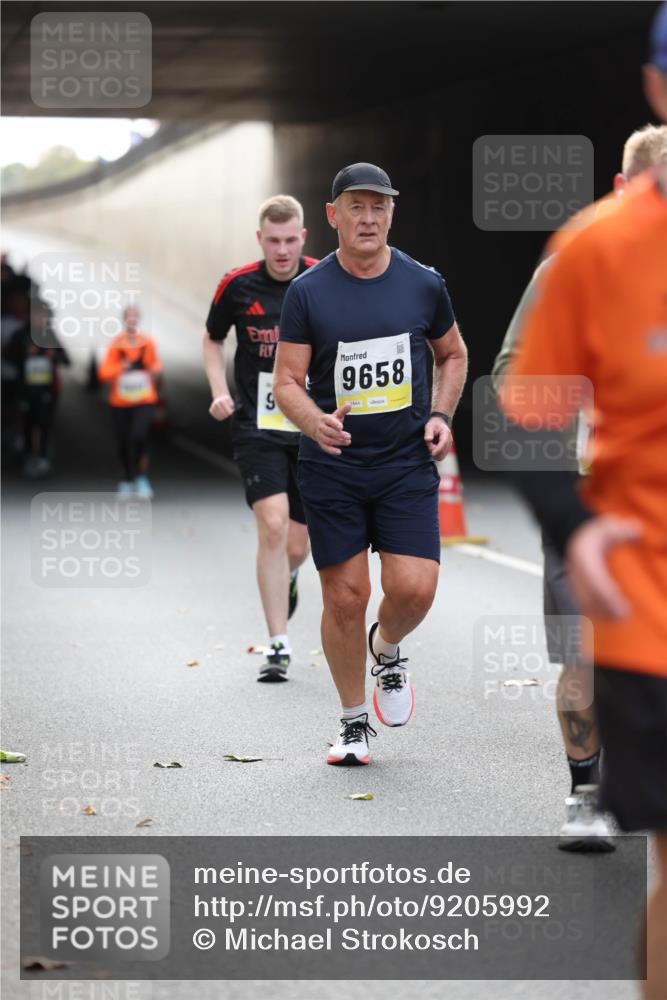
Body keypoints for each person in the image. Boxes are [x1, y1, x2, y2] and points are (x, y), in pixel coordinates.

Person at [500, 6, 667, 995]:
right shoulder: (591, 253)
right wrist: (573, 523)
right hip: (641, 598)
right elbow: (521, 405)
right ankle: (580, 792)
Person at [274, 163, 467, 765]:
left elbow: (454, 354)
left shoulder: (423, 284)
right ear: (332, 215)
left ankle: (388, 649)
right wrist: (315, 421)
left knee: (413, 588)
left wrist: (441, 415)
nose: (368, 218)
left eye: (379, 206)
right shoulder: (308, 292)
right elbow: (287, 381)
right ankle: (354, 722)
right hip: (333, 468)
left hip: (405, 462)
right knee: (346, 596)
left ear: (391, 213)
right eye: (356, 206)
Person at [203, 196, 317, 682]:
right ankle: (278, 644)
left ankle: (289, 575)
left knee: (297, 544)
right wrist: (218, 391)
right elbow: (213, 339)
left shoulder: (322, 279)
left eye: (291, 240)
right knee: (272, 526)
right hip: (257, 423)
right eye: (274, 241)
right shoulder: (237, 284)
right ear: (260, 239)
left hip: (311, 424)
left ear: (303, 237)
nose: (283, 250)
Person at [98, 305, 161, 499]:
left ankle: (141, 476)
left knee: (139, 436)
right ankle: (127, 478)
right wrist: (120, 367)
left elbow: (156, 365)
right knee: (123, 440)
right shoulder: (116, 344)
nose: (132, 320)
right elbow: (103, 373)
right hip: (120, 401)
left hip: (143, 399)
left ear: (139, 319)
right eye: (129, 316)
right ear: (124, 320)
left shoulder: (147, 343)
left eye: (135, 316)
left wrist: (153, 370)